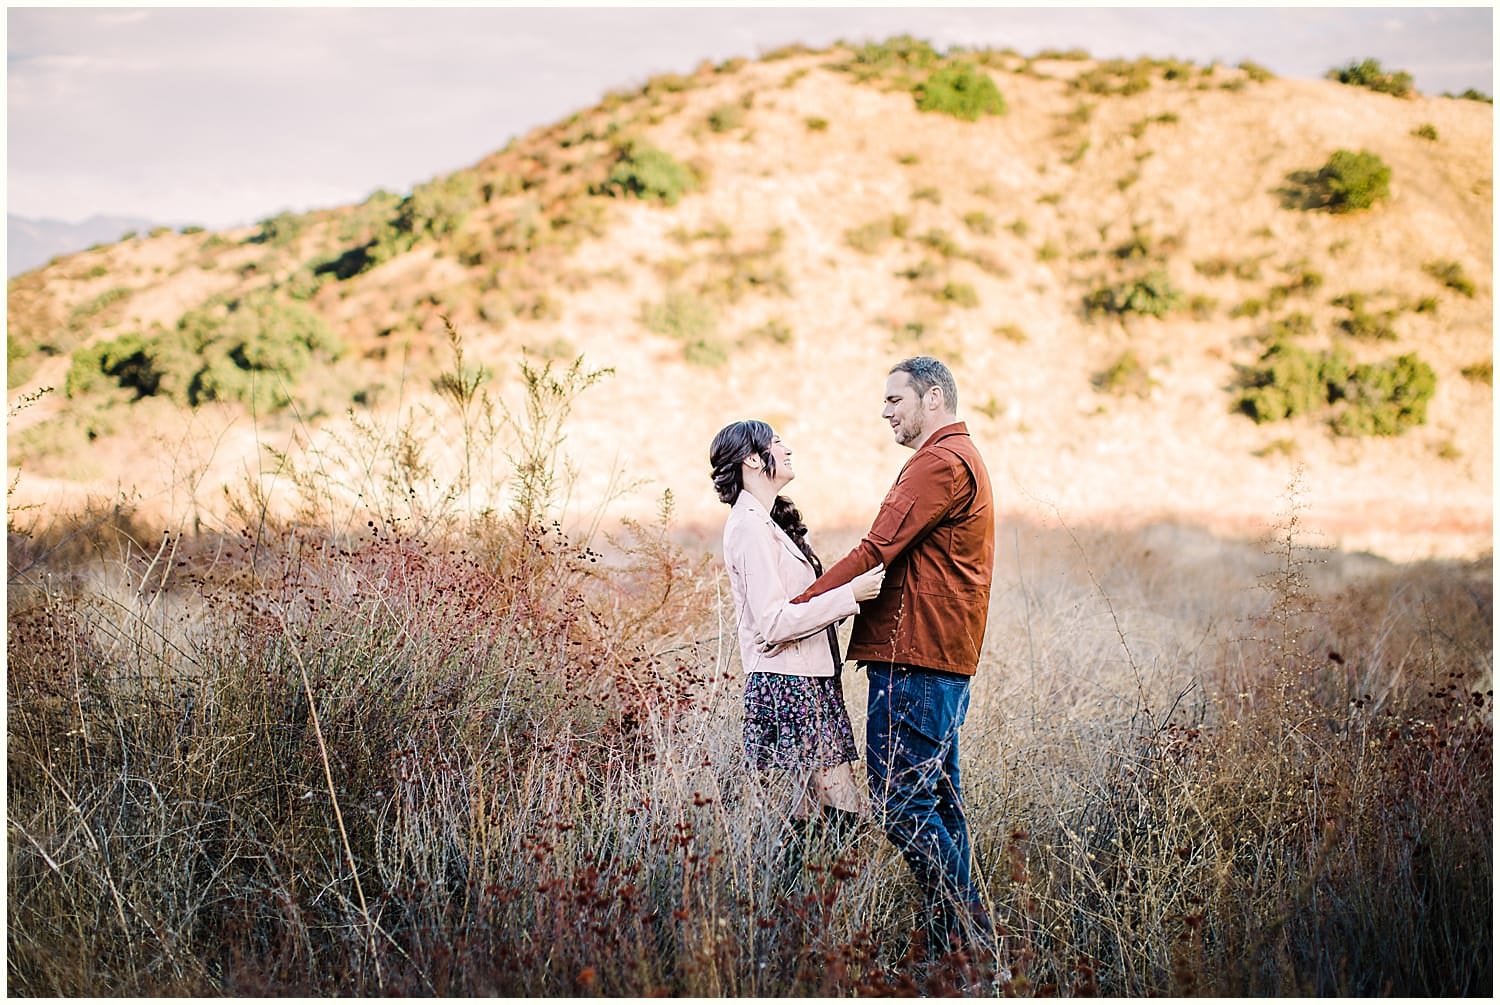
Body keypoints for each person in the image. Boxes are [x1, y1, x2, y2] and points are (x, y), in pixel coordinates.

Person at [784, 356, 997, 963]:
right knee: (939, 805)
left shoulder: (937, 462)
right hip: (940, 660)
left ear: (932, 398)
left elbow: (876, 549)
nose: (884, 413)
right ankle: (956, 953)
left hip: (917, 657)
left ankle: (972, 942)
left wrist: (795, 610)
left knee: (904, 805)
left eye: (894, 401)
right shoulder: (963, 458)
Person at [709, 419, 886, 863]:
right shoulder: (748, 526)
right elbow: (773, 622)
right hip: (788, 684)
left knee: (809, 812)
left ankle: (803, 910)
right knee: (835, 806)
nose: (787, 449)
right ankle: (835, 904)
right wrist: (850, 596)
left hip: (806, 680)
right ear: (753, 459)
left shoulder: (766, 523)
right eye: (777, 443)